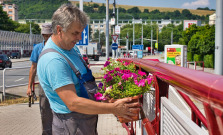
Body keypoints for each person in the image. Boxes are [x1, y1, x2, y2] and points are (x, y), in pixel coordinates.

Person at [37, 4, 140, 135]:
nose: (79, 38)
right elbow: (73, 103)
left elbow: (84, 86)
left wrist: (107, 98)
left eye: (81, 33)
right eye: (75, 33)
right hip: (71, 127)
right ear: (59, 30)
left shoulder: (70, 48)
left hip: (83, 123)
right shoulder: (53, 60)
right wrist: (113, 108)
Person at [27, 23, 53, 135]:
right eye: (44, 35)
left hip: (58, 83)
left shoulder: (59, 47)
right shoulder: (38, 48)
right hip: (44, 85)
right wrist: (29, 87)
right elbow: (33, 68)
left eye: (48, 35)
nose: (46, 38)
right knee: (45, 111)